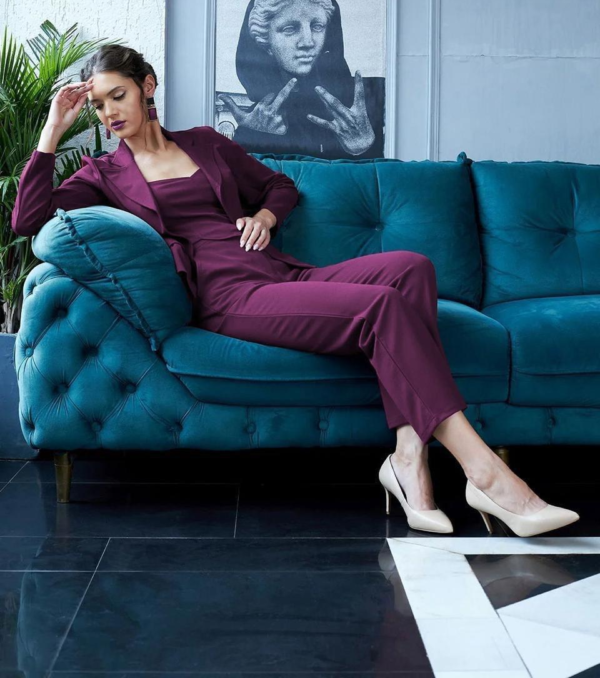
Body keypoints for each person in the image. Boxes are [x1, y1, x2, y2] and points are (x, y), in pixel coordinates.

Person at [12, 44, 579, 538]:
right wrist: (53, 130)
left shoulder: (207, 143)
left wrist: (263, 214)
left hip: (281, 271)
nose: (110, 112)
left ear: (148, 87)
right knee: (381, 308)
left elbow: (279, 185)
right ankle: (487, 475)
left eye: (118, 96)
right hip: (228, 296)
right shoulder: (103, 176)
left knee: (411, 269)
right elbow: (27, 220)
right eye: (99, 104)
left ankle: (409, 455)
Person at [217, 0, 385, 159]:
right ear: (264, 40)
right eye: (290, 29)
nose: (308, 41)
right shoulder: (259, 118)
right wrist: (253, 136)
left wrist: (365, 147)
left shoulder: (372, 99)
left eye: (317, 26)